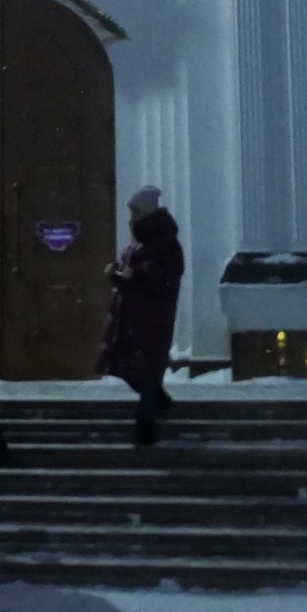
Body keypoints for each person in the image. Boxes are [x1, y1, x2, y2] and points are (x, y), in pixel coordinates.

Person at [97, 185, 185, 447]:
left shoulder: (165, 242)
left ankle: (145, 425)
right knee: (132, 369)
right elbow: (134, 275)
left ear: (147, 212)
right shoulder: (138, 240)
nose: (131, 215)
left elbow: (166, 278)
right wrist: (117, 273)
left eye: (135, 210)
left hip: (151, 320)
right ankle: (157, 401)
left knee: (146, 371)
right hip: (133, 318)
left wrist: (139, 274)